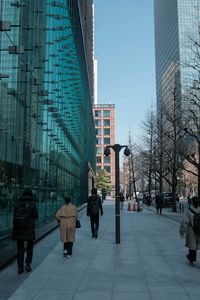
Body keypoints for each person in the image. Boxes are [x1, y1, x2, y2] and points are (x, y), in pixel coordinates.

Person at [12, 188, 38, 275]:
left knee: (20, 248)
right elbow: (35, 216)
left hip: (18, 229)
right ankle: (27, 264)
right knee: (30, 247)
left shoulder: (18, 203)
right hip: (29, 229)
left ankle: (20, 268)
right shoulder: (32, 203)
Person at [180, 196, 200, 263]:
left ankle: (192, 258)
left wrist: (182, 232)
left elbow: (185, 222)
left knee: (192, 245)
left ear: (192, 202)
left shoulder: (188, 210)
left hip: (192, 230)